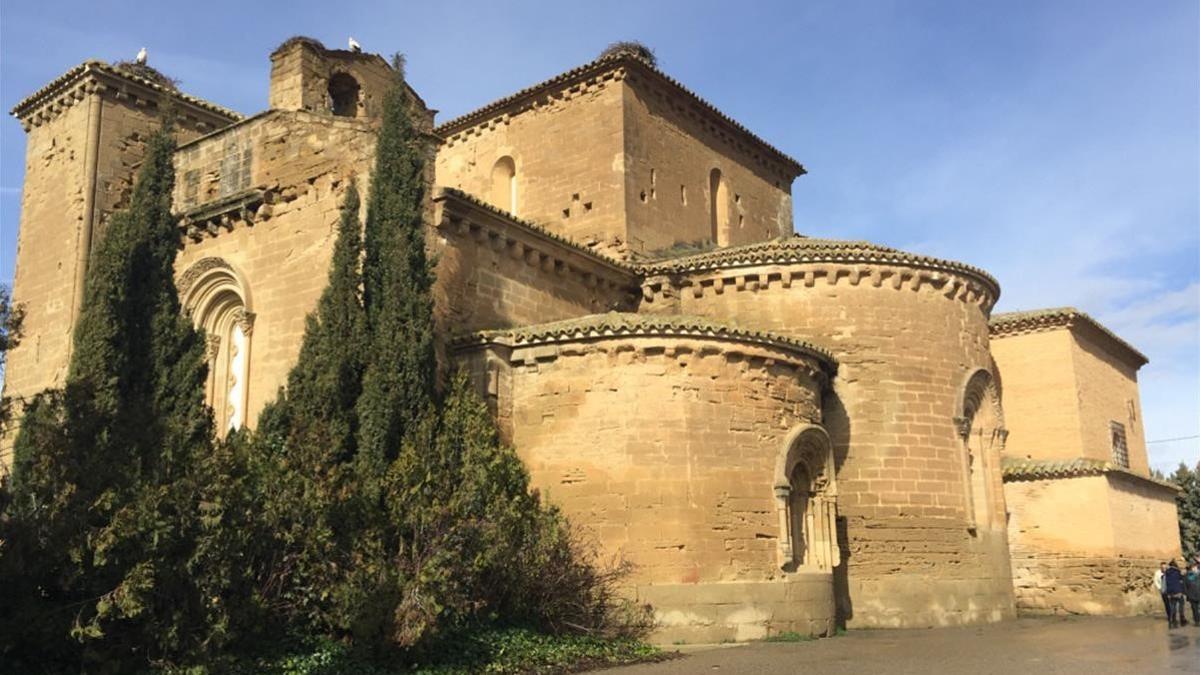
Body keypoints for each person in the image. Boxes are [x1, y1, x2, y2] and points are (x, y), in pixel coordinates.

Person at [1165, 560, 1186, 628]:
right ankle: (1182, 619)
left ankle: (1172, 620)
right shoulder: (1177, 572)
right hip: (1178, 591)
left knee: (1172, 606)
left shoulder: (1167, 573)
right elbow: (1181, 580)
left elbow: (1167, 583)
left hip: (1170, 592)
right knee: (1181, 605)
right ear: (1175, 565)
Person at [1186, 562, 1200, 627]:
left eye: (1196, 567)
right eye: (1193, 568)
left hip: (1197, 594)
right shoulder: (1189, 575)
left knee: (1197, 609)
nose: (1195, 569)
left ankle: (1197, 620)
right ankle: (1197, 621)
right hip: (1192, 595)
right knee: (1194, 609)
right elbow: (1187, 584)